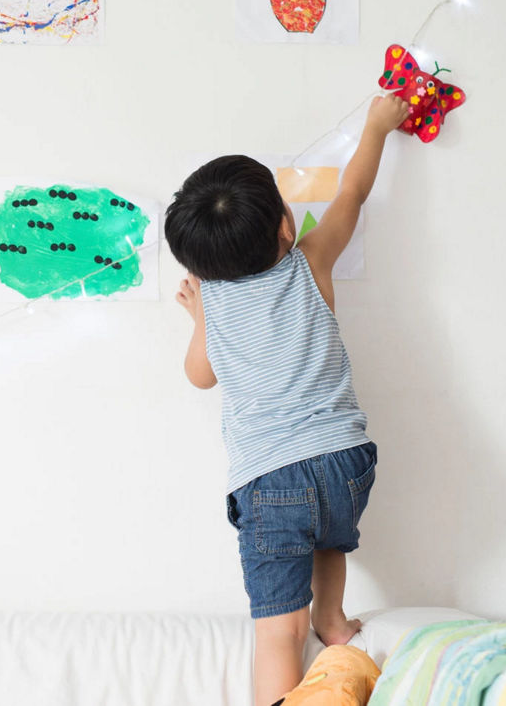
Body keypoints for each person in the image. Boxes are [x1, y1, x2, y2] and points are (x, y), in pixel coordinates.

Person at [164, 95, 410, 706]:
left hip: (269, 478)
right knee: (330, 534)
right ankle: (334, 617)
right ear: (284, 225)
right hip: (345, 461)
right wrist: (378, 124)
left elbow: (201, 376)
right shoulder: (311, 261)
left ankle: (287, 681)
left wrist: (199, 318)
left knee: (278, 631)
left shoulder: (214, 299)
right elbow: (352, 193)